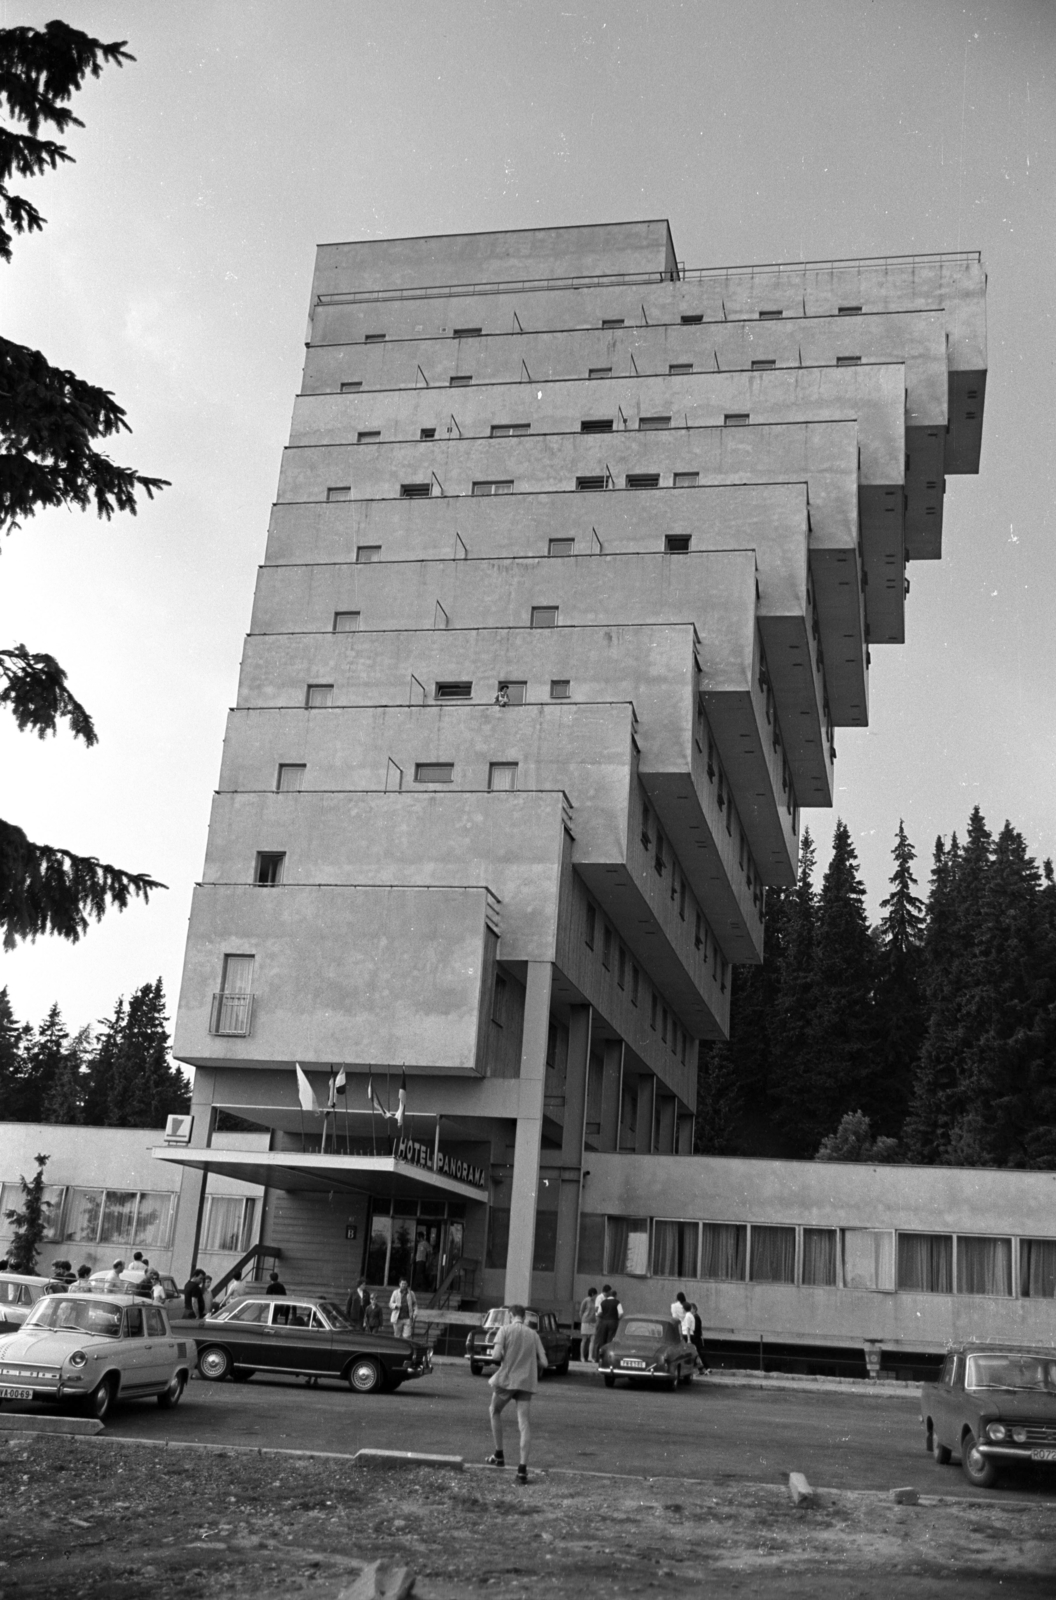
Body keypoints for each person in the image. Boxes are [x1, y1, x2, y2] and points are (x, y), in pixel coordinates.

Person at [484, 1304, 547, 1484]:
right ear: (524, 1317)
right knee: (524, 1424)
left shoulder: (504, 1330)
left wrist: (506, 1354)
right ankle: (522, 1470)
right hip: (526, 1382)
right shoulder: (533, 1334)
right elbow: (544, 1362)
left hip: (507, 1380)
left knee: (494, 1410)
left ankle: (499, 1455)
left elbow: (496, 1356)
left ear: (511, 1316)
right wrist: (529, 1360)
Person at [594, 1284, 622, 1359]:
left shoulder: (604, 1301)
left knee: (602, 1338)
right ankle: (604, 1356)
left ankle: (600, 1356)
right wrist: (617, 1318)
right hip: (608, 1320)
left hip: (603, 1320)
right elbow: (621, 1313)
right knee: (606, 1338)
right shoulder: (601, 1298)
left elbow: (599, 1312)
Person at [578, 1286, 598, 1363]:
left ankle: (590, 1356)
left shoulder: (594, 1301)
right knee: (584, 1339)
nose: (596, 1296)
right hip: (585, 1322)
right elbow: (581, 1311)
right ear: (592, 1294)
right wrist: (582, 1320)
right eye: (595, 1295)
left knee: (592, 1339)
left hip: (593, 1322)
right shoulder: (586, 1300)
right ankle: (582, 1356)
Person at [688, 1301, 707, 1370]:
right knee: (697, 1354)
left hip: (696, 1339)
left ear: (694, 1309)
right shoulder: (695, 1317)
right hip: (696, 1338)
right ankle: (702, 1368)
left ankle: (705, 1367)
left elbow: (696, 1328)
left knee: (698, 1354)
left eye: (690, 1309)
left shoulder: (695, 1317)